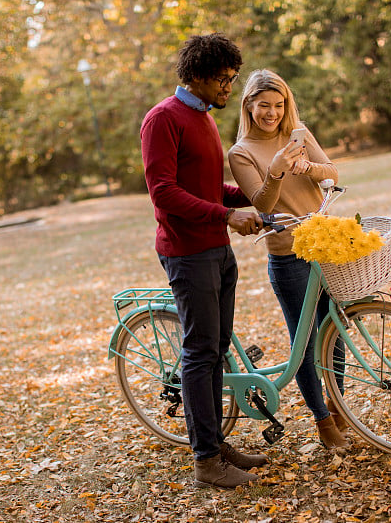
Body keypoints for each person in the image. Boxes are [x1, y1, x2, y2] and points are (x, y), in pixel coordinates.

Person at [140, 34, 268, 488]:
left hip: (217, 247)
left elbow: (207, 188)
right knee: (199, 352)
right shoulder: (162, 119)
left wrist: (255, 201)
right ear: (197, 75)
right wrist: (226, 215)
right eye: (224, 79)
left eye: (233, 79)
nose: (230, 88)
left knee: (216, 351)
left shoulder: (205, 119)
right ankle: (206, 461)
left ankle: (216, 441)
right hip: (186, 251)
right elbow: (165, 194)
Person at [228, 69, 349, 450]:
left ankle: (338, 403)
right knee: (307, 343)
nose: (273, 113)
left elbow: (330, 171)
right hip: (287, 256)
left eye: (279, 105)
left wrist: (306, 167)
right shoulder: (241, 152)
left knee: (337, 330)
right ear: (249, 105)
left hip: (325, 245)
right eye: (265, 105)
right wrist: (278, 169)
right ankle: (323, 419)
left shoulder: (298, 132)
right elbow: (261, 203)